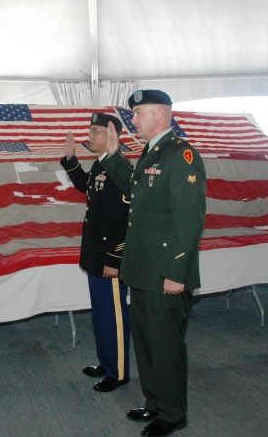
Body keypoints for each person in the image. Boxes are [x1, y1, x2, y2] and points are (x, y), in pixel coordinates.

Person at [100, 90, 207, 436]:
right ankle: (155, 403)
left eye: (140, 112)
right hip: (143, 269)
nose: (134, 119)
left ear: (161, 113)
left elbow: (189, 219)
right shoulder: (151, 153)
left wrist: (177, 273)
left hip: (166, 273)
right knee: (146, 342)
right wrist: (114, 155)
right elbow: (133, 192)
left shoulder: (181, 155)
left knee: (166, 347)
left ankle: (173, 414)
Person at [60, 113, 132, 392]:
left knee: (114, 316)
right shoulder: (102, 165)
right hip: (95, 255)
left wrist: (115, 260)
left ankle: (119, 372)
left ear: (112, 135)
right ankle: (106, 363)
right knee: (101, 315)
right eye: (90, 130)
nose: (90, 136)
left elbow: (124, 219)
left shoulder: (121, 168)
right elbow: (87, 186)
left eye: (96, 131)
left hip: (109, 259)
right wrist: (70, 160)